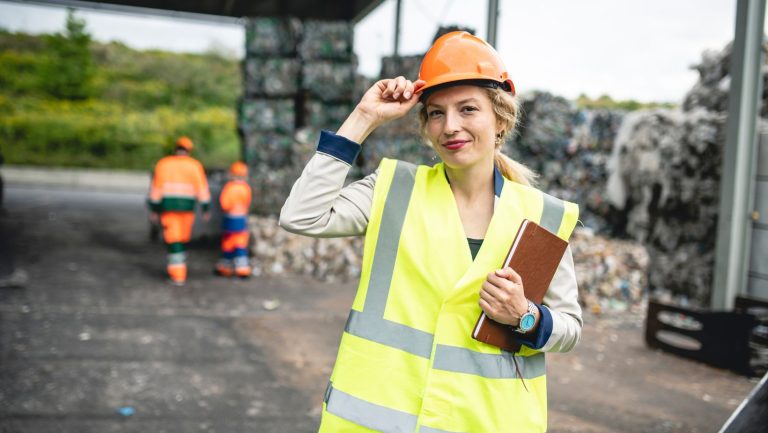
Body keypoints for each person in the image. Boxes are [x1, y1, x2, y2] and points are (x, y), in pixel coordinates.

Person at [280, 31, 582, 433]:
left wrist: (525, 316)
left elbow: (569, 328)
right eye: (436, 113)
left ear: (501, 120)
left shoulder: (541, 215)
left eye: (468, 109)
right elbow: (301, 215)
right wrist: (364, 117)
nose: (450, 126)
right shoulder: (393, 189)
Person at [148, 136, 210, 286]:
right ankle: (179, 269)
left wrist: (154, 209)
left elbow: (156, 189)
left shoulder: (164, 164)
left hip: (169, 208)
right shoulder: (195, 165)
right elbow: (202, 189)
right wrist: (205, 208)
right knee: (181, 239)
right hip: (187, 209)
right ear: (189, 150)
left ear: (176, 148)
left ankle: (177, 274)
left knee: (173, 239)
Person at [215, 161, 253, 278]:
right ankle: (243, 268)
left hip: (230, 219)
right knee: (241, 242)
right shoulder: (246, 188)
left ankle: (226, 267)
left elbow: (224, 204)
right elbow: (247, 203)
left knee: (228, 243)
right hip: (241, 218)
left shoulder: (229, 187)